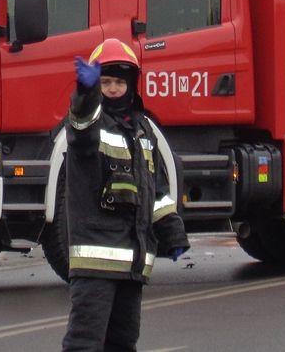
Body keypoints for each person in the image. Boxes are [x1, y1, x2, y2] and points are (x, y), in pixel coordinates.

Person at [61, 38, 190, 352]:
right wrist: (86, 91)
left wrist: (172, 233)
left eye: (120, 81)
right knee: (85, 343)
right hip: (97, 261)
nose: (114, 88)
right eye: (105, 81)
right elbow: (80, 123)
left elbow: (157, 190)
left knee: (123, 343)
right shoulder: (92, 125)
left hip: (134, 262)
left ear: (132, 84)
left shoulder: (143, 131)